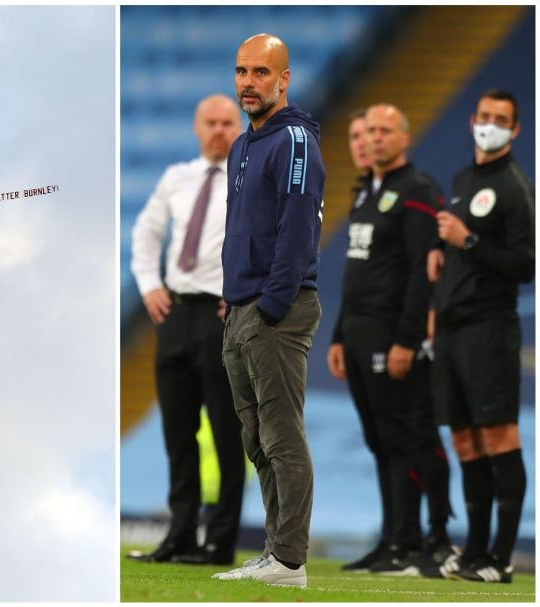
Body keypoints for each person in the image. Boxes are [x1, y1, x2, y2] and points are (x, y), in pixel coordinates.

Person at [213, 33, 323, 589]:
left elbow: (297, 230)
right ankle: (275, 555)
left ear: (284, 79)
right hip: (240, 308)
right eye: (241, 72)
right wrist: (231, 294)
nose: (247, 83)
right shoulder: (243, 145)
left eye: (260, 72)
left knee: (282, 435)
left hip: (275, 309)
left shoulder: (296, 141)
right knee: (257, 439)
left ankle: (290, 561)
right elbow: (242, 228)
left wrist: (272, 303)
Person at [326, 104, 455, 576]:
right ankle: (391, 540)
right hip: (359, 333)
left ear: (404, 137)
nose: (374, 139)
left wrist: (407, 338)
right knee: (381, 441)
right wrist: (339, 334)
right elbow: (358, 276)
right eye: (368, 132)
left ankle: (420, 540)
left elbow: (424, 275)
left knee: (407, 438)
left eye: (383, 131)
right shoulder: (366, 193)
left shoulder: (418, 191)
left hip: (392, 336)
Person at [126, 94, 246, 566]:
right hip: (175, 314)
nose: (219, 130)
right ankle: (179, 534)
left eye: (227, 122)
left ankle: (219, 541)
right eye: (211, 123)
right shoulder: (175, 177)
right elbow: (146, 232)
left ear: (239, 127)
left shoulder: (250, 180)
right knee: (178, 431)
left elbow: (272, 239)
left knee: (225, 430)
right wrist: (150, 284)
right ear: (197, 128)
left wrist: (243, 293)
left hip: (223, 313)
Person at [429, 89, 534, 584]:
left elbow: (527, 264)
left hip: (489, 327)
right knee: (466, 441)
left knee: (498, 435)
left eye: (502, 120)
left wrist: (466, 240)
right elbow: (461, 248)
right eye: (485, 117)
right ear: (472, 121)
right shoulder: (464, 177)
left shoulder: (516, 187)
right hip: (451, 328)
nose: (490, 125)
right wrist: (443, 253)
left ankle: (501, 557)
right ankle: (473, 552)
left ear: (515, 130)